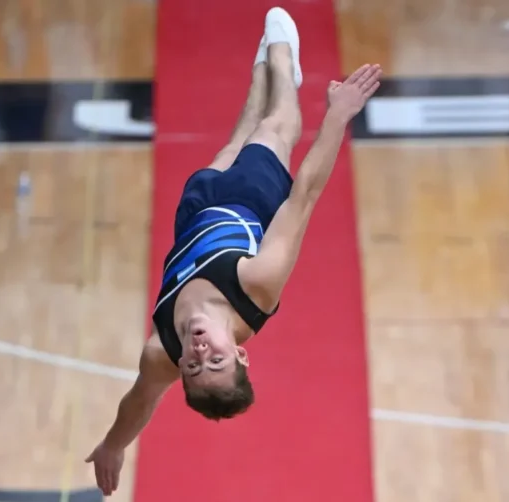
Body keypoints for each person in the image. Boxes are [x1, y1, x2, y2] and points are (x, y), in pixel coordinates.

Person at [84, 6, 382, 496]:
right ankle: (284, 61)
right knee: (278, 124)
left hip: (198, 213)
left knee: (243, 128)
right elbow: (304, 193)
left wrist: (114, 444)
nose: (200, 353)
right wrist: (337, 114)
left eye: (194, 367)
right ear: (240, 352)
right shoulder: (258, 284)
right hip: (253, 202)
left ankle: (259, 72)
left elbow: (140, 401)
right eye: (216, 361)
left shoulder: (162, 354)